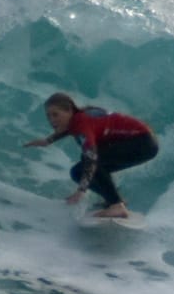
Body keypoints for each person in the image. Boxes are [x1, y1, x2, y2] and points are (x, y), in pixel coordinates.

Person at [23, 92, 158, 219]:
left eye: (55, 115)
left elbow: (91, 158)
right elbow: (70, 129)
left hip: (141, 142)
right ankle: (114, 200)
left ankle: (117, 205)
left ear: (69, 110)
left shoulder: (81, 123)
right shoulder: (77, 119)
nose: (51, 120)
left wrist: (81, 191)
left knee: (92, 161)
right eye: (49, 116)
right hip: (140, 143)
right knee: (77, 172)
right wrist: (47, 141)